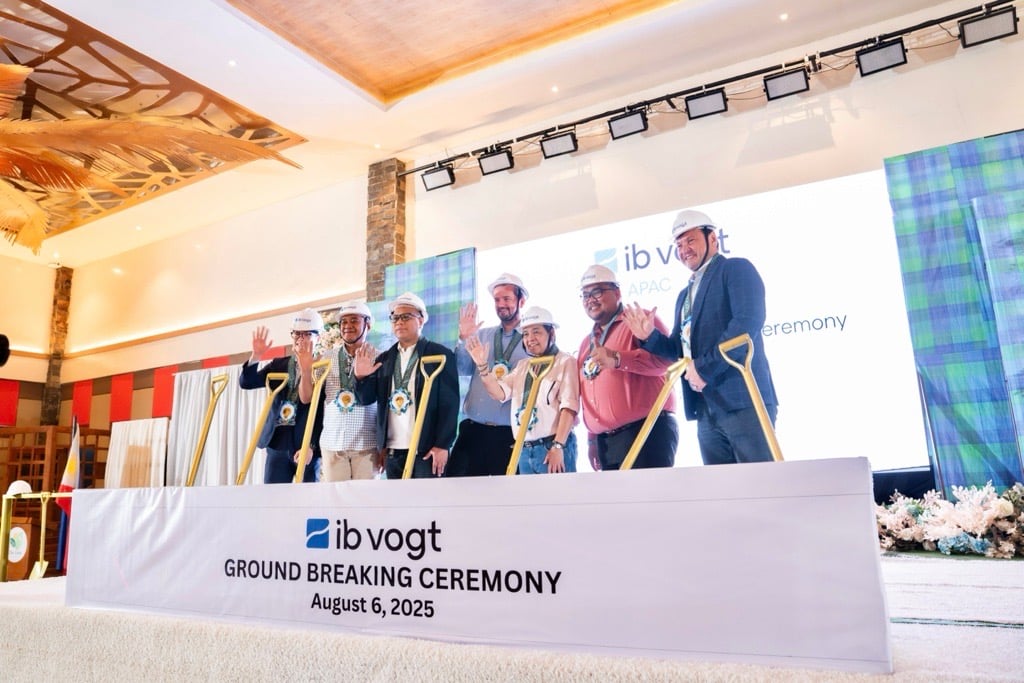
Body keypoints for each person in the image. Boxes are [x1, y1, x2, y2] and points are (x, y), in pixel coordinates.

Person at [623, 209, 778, 465]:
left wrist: (704, 368)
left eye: (690, 240)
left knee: (761, 484)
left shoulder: (735, 269)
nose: (684, 250)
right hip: (706, 409)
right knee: (720, 488)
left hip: (744, 400)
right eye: (679, 245)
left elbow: (745, 325)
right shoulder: (684, 295)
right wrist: (649, 336)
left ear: (713, 238)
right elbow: (679, 349)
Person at [576, 265, 678, 470]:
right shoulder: (587, 343)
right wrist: (592, 439)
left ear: (617, 292)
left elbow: (666, 362)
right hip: (605, 442)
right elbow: (588, 394)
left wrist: (618, 359)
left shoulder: (639, 319)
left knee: (651, 491)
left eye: (597, 292)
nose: (590, 299)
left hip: (647, 430)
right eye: (585, 295)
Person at [353, 292, 458, 479]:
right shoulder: (384, 359)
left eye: (406, 317)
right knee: (397, 499)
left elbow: (450, 404)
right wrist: (360, 377)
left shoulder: (439, 355)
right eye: (395, 318)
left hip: (427, 451)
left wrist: (443, 445)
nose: (399, 322)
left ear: (421, 320)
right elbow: (365, 399)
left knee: (428, 498)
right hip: (393, 451)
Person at [465, 306, 579, 474]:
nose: (530, 338)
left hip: (551, 448)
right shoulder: (523, 366)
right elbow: (498, 393)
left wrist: (558, 446)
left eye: (536, 332)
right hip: (524, 450)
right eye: (525, 334)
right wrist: (482, 365)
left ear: (551, 333)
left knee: (560, 492)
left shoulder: (565, 361)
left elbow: (569, 407)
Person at [449, 273, 530, 476]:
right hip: (473, 432)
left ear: (521, 301)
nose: (501, 304)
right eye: (497, 299)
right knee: (459, 490)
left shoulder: (532, 340)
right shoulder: (482, 335)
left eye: (507, 299)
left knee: (507, 494)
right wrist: (464, 339)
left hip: (511, 435)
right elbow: (461, 369)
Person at [239, 308, 323, 483]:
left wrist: (312, 446)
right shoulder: (279, 365)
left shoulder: (324, 367)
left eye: (307, 334)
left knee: (307, 497)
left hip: (305, 445)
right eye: (296, 334)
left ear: (319, 337)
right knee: (272, 496)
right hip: (277, 442)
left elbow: (322, 413)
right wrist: (256, 356)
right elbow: (247, 382)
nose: (300, 339)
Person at [314, 300, 378, 481]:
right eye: (343, 321)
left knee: (366, 498)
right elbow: (312, 400)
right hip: (332, 444)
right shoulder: (325, 358)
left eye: (354, 320)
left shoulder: (380, 358)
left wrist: (384, 446)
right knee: (335, 498)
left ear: (368, 325)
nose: (348, 325)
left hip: (367, 445)